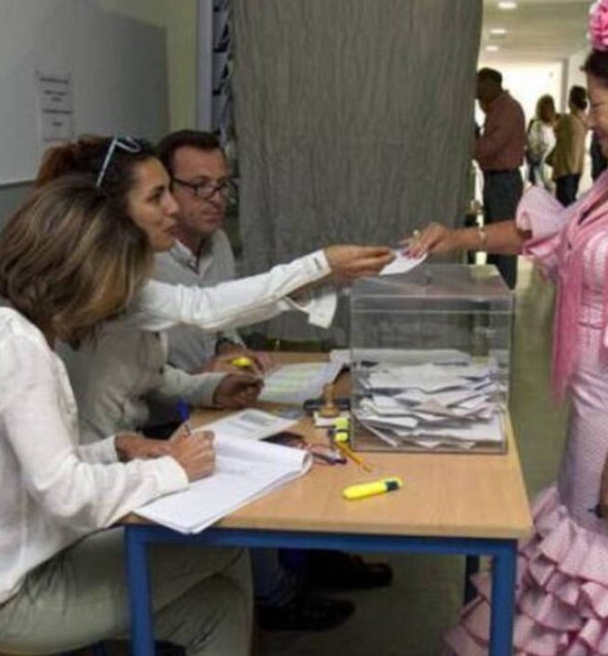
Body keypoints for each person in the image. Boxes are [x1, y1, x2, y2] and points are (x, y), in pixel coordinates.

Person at [409, 0, 608, 654]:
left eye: (600, 104)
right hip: (599, 397)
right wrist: (455, 240)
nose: (589, 119)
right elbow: (555, 235)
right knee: (585, 541)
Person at [37, 134, 393, 631]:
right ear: (114, 214)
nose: (174, 209)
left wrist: (209, 390)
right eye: (159, 196)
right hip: (104, 481)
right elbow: (203, 310)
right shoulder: (105, 289)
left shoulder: (122, 279)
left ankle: (270, 593)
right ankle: (270, 599)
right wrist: (321, 265)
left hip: (127, 454)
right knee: (244, 513)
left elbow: (153, 372)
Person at [0, 175, 252, 655]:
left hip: (28, 563)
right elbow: (65, 494)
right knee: (224, 545)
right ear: (80, 274)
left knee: (218, 604)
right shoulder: (22, 355)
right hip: (9, 600)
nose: (121, 296)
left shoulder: (8, 334)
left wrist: (116, 448)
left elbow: (38, 468)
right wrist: (173, 470)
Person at [152, 130, 271, 376]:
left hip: (211, 401)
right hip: (163, 411)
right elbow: (134, 381)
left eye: (222, 185)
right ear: (165, 190)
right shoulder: (142, 259)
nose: (217, 199)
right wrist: (200, 378)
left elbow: (221, 325)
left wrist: (228, 347)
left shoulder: (219, 242)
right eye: (200, 186)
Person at [474, 67, 527, 288]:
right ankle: (495, 286)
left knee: (503, 238)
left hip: (504, 180)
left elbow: (491, 147)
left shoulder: (507, 110)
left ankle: (504, 288)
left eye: (479, 86)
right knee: (493, 236)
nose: (476, 91)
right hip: (496, 179)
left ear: (491, 84)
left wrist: (469, 144)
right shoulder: (496, 109)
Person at [549, 85, 589, 206]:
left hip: (565, 166)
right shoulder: (585, 119)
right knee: (571, 197)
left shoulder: (568, 119)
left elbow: (556, 130)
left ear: (571, 100)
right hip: (578, 165)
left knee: (563, 203)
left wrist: (555, 119)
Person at [525, 95, 558, 191]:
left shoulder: (540, 125)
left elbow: (533, 147)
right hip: (546, 166)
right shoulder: (541, 125)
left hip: (546, 166)